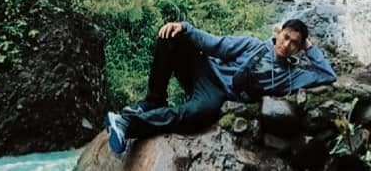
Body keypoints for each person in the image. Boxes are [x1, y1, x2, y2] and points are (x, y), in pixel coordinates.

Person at [105, 18, 337, 154]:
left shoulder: (291, 76)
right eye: (285, 37)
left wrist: (310, 46)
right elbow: (216, 45)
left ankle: (126, 124)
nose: (286, 45)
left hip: (218, 94)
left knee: (194, 114)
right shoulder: (252, 44)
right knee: (171, 36)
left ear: (298, 48)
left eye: (294, 43)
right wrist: (185, 27)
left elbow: (327, 75)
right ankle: (153, 101)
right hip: (205, 70)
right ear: (278, 33)